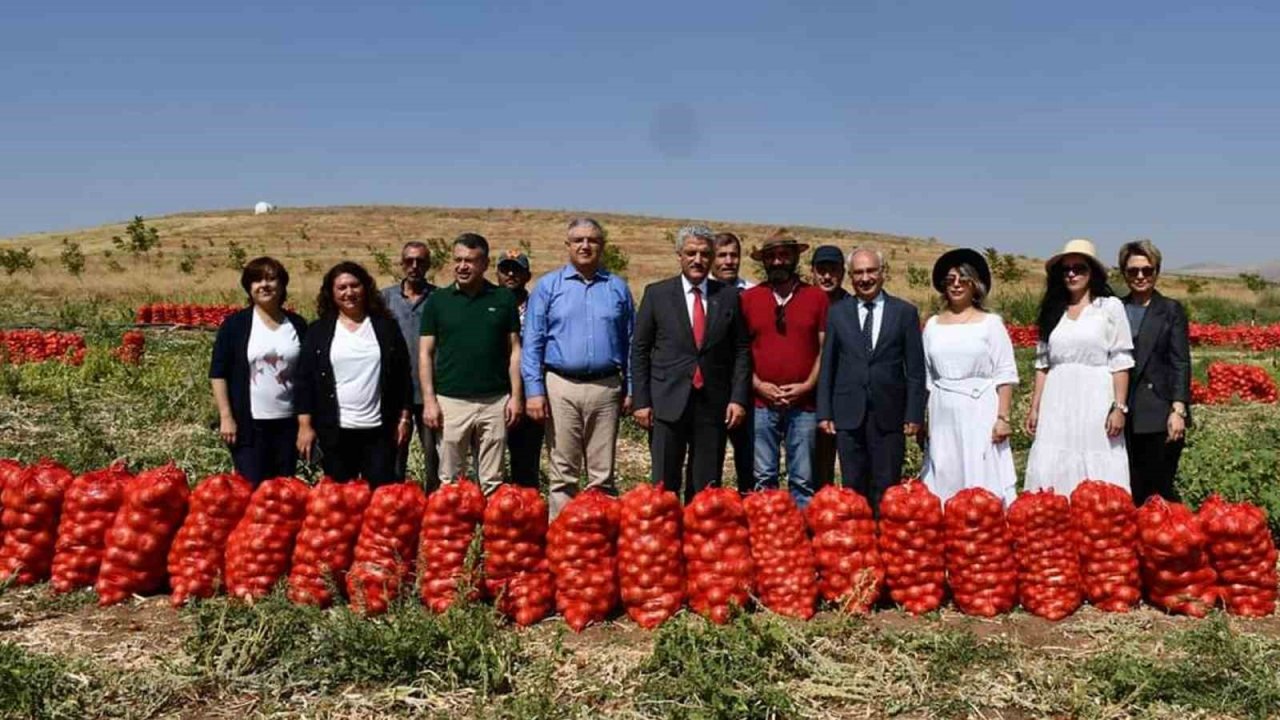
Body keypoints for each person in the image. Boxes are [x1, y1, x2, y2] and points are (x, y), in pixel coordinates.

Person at [522, 218, 635, 516]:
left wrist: (632, 387)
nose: (586, 246)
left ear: (602, 246)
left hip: (606, 387)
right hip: (561, 385)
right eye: (579, 240)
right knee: (562, 474)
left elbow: (631, 342)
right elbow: (533, 342)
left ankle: (600, 540)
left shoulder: (617, 288)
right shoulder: (548, 287)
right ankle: (563, 542)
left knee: (603, 474)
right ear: (568, 246)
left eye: (592, 240)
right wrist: (534, 391)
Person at [632, 224, 751, 503]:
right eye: (691, 253)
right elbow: (640, 350)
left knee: (706, 488)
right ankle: (666, 541)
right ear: (679, 255)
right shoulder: (657, 294)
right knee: (664, 486)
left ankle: (698, 543)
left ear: (711, 257)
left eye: (704, 254)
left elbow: (742, 350)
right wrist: (641, 400)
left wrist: (737, 398)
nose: (698, 260)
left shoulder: (729, 297)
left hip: (713, 405)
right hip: (667, 402)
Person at [816, 248, 926, 515]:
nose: (865, 278)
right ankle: (859, 543)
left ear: (882, 273)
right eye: (858, 273)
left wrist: (914, 412)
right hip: (848, 413)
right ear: (850, 277)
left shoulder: (904, 312)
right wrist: (825, 411)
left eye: (870, 271)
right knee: (853, 486)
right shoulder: (838, 313)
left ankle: (884, 542)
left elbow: (915, 369)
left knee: (887, 485)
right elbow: (828, 365)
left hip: (889, 414)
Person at [1024, 239, 1134, 495]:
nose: (1072, 273)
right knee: (1055, 457)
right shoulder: (1053, 312)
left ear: (1092, 272)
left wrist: (1119, 407)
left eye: (1079, 268)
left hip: (1095, 395)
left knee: (1097, 455)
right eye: (1066, 269)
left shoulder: (1109, 308)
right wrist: (1035, 407)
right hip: (1057, 398)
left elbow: (1120, 361)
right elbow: (1043, 365)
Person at [420, 233, 523, 495]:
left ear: (485, 264)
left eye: (470, 260)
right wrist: (430, 401)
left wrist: (515, 397)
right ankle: (453, 533)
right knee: (450, 479)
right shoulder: (437, 301)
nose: (462, 266)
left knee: (493, 480)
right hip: (451, 401)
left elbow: (514, 351)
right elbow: (425, 354)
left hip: (495, 400)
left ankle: (490, 531)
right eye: (458, 260)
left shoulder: (503, 299)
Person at [295, 262, 412, 485]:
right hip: (335, 432)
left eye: (354, 285)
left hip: (379, 430)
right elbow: (305, 382)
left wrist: (404, 417)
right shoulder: (318, 331)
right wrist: (305, 426)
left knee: (380, 497)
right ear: (331, 293)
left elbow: (402, 375)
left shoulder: (386, 327)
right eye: (341, 288)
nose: (349, 292)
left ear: (365, 288)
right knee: (340, 500)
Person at [919, 249, 1019, 505]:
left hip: (979, 410)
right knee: (945, 466)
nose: (956, 285)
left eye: (963, 279)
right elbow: (927, 377)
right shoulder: (932, 326)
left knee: (980, 467)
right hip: (943, 411)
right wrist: (924, 420)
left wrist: (1002, 418)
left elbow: (1004, 373)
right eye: (950, 279)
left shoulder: (990, 324)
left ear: (975, 285)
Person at [740, 232, 827, 509]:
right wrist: (757, 385)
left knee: (802, 479)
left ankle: (800, 540)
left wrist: (807, 385)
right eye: (772, 256)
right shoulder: (750, 299)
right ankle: (768, 536)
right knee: (764, 477)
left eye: (784, 255)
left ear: (795, 258)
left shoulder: (816, 298)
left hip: (804, 404)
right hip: (761, 403)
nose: (778, 261)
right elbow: (741, 352)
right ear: (764, 261)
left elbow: (824, 349)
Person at [210, 257, 309, 484]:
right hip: (249, 426)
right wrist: (226, 417)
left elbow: (307, 378)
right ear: (249, 288)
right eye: (256, 280)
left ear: (282, 285)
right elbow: (218, 373)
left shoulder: (297, 325)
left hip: (288, 425)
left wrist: (306, 424)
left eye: (271, 279)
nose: (264, 285)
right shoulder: (235, 325)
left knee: (284, 491)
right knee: (251, 489)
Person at [1119, 239, 1191, 504]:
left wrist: (1178, 409)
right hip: (1123, 412)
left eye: (1147, 270)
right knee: (1128, 486)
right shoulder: (1116, 308)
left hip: (1159, 411)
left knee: (1158, 488)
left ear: (1156, 272)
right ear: (1124, 273)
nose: (1140, 276)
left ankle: (1166, 541)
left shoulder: (1170, 310)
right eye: (1133, 271)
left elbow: (1180, 361)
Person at [380, 241, 440, 488]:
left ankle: (434, 513)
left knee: (434, 461)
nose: (414, 266)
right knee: (393, 460)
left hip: (429, 393)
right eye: (409, 261)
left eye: (420, 261)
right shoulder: (384, 299)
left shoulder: (439, 298)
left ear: (428, 265)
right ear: (401, 263)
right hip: (394, 393)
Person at [711, 231, 755, 492]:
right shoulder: (701, 291)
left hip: (747, 387)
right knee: (709, 458)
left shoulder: (753, 293)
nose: (729, 261)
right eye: (722, 255)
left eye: (734, 255)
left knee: (748, 458)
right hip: (710, 389)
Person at [497, 250, 542, 489]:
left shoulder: (539, 304)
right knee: (491, 458)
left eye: (517, 270)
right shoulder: (488, 302)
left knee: (526, 458)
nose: (511, 274)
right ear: (497, 274)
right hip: (493, 389)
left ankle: (526, 508)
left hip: (529, 390)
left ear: (528, 275)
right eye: (505, 269)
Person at [809, 244, 847, 487]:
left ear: (842, 273)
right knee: (812, 462)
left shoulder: (851, 305)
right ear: (812, 272)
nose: (826, 276)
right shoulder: (803, 303)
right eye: (821, 270)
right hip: (809, 396)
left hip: (843, 395)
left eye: (832, 270)